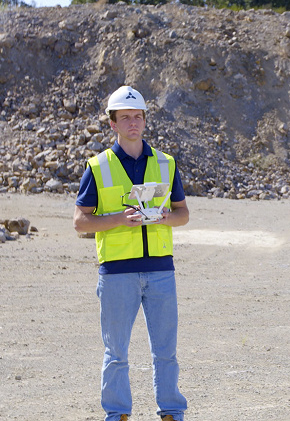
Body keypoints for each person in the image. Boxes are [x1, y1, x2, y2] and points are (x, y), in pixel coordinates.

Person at [73, 86, 189, 421]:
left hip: (161, 271)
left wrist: (166, 217)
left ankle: (171, 413)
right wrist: (118, 219)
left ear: (145, 120)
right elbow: (80, 222)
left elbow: (183, 214)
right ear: (113, 123)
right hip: (117, 273)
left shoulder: (166, 163)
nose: (133, 123)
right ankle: (118, 415)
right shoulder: (98, 166)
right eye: (125, 118)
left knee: (166, 351)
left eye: (138, 116)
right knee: (116, 353)